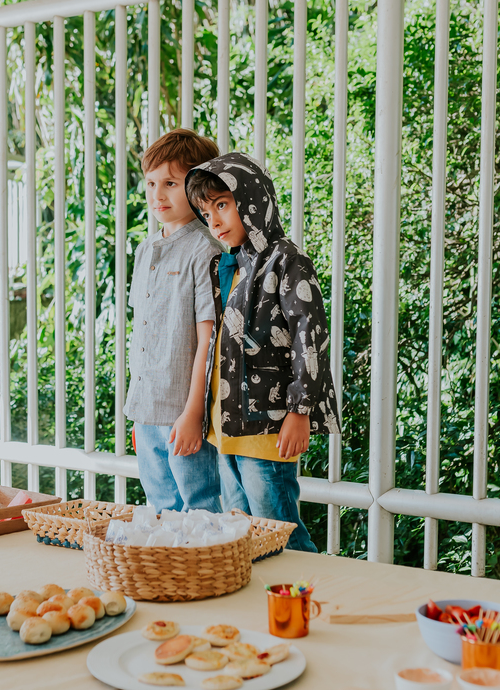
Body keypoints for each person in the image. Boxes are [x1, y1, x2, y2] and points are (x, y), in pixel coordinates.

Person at [186, 154, 340, 553]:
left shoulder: (287, 261)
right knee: (244, 538)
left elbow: (311, 338)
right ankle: (266, 610)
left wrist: (299, 411)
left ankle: (307, 603)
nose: (214, 221)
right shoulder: (229, 266)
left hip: (267, 428)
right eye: (206, 211)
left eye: (222, 205)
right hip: (229, 428)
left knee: (282, 535)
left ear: (253, 200)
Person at [126, 129, 223, 513]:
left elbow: (209, 340)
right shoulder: (145, 249)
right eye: (151, 183)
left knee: (200, 510)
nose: (157, 194)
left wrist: (192, 412)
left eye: (170, 183)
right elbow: (144, 333)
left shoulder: (206, 250)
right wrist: (139, 411)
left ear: (198, 187)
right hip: (147, 408)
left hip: (184, 411)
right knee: (159, 508)